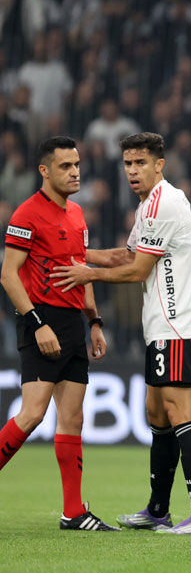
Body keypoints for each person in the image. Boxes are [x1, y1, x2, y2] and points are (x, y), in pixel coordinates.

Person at [51, 132, 191, 534]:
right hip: (161, 327)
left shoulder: (164, 202)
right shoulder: (147, 207)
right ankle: (158, 510)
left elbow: (138, 270)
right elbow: (128, 255)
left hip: (178, 325)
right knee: (156, 414)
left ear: (160, 164)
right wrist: (77, 249)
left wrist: (88, 273)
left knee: (180, 413)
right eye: (127, 164)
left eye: (140, 163)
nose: (132, 171)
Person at [0, 135, 116, 531]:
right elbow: (8, 275)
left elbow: (81, 272)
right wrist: (36, 323)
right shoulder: (27, 213)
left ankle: (73, 512)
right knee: (32, 415)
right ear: (44, 171)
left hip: (71, 324)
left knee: (72, 419)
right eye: (66, 166)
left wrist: (95, 321)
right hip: (40, 320)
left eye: (78, 164)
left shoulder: (78, 215)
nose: (76, 172)